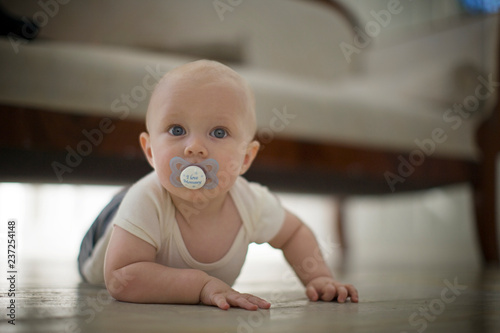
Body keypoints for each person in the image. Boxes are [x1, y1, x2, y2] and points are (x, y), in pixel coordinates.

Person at [78, 60, 358, 310]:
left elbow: (293, 233)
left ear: (246, 158)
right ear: (150, 150)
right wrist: (201, 286)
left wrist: (319, 277)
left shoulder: (250, 202)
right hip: (106, 234)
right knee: (132, 200)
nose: (194, 148)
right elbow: (120, 278)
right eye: (177, 130)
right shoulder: (147, 200)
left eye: (219, 132)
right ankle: (120, 203)